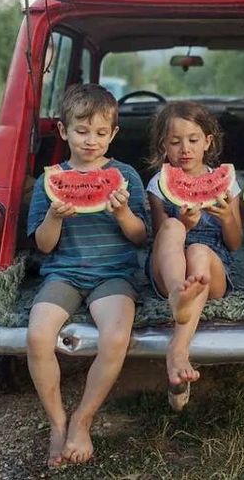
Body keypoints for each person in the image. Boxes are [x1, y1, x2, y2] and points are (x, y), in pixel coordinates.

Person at [27, 84, 148, 466]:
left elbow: (142, 236)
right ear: (63, 131)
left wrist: (123, 213)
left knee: (115, 338)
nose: (90, 141)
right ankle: (57, 422)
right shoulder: (51, 179)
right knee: (36, 336)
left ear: (112, 134)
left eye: (100, 133)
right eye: (81, 131)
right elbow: (43, 247)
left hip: (113, 273)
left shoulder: (125, 176)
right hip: (62, 272)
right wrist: (53, 217)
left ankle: (83, 418)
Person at [146, 101, 243, 410]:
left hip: (210, 271)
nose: (184, 149)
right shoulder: (159, 184)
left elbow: (236, 243)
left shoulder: (226, 182)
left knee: (200, 251)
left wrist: (227, 217)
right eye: (175, 142)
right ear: (164, 146)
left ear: (208, 142)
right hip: (168, 270)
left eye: (193, 140)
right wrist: (185, 225)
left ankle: (178, 350)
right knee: (173, 225)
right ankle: (179, 294)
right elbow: (161, 239)